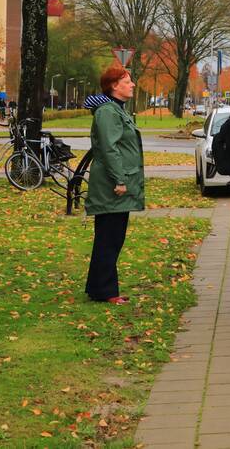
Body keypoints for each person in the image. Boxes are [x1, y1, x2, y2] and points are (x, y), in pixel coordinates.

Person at [84, 66, 144, 305]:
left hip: (116, 183)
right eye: (127, 81)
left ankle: (99, 288)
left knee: (110, 239)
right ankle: (106, 292)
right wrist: (119, 179)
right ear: (114, 86)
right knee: (109, 239)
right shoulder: (108, 112)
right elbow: (110, 148)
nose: (132, 85)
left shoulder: (116, 109)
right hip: (112, 186)